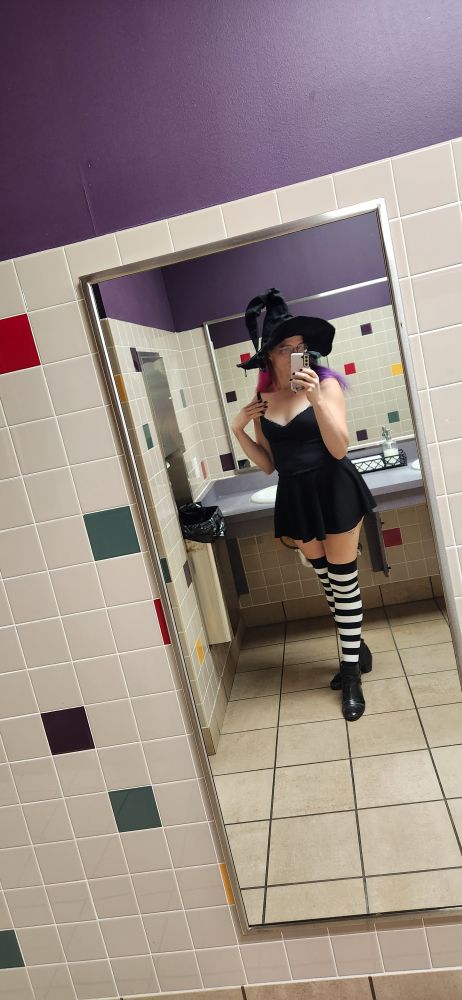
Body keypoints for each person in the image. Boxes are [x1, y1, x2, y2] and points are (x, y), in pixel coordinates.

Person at [231, 288, 378, 722]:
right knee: (327, 583)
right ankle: (358, 648)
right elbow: (269, 465)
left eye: (301, 347)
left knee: (344, 582)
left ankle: (350, 676)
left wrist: (314, 399)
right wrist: (238, 429)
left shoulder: (326, 385)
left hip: (335, 487)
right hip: (296, 495)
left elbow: (339, 448)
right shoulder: (264, 403)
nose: (298, 354)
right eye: (286, 348)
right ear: (270, 357)